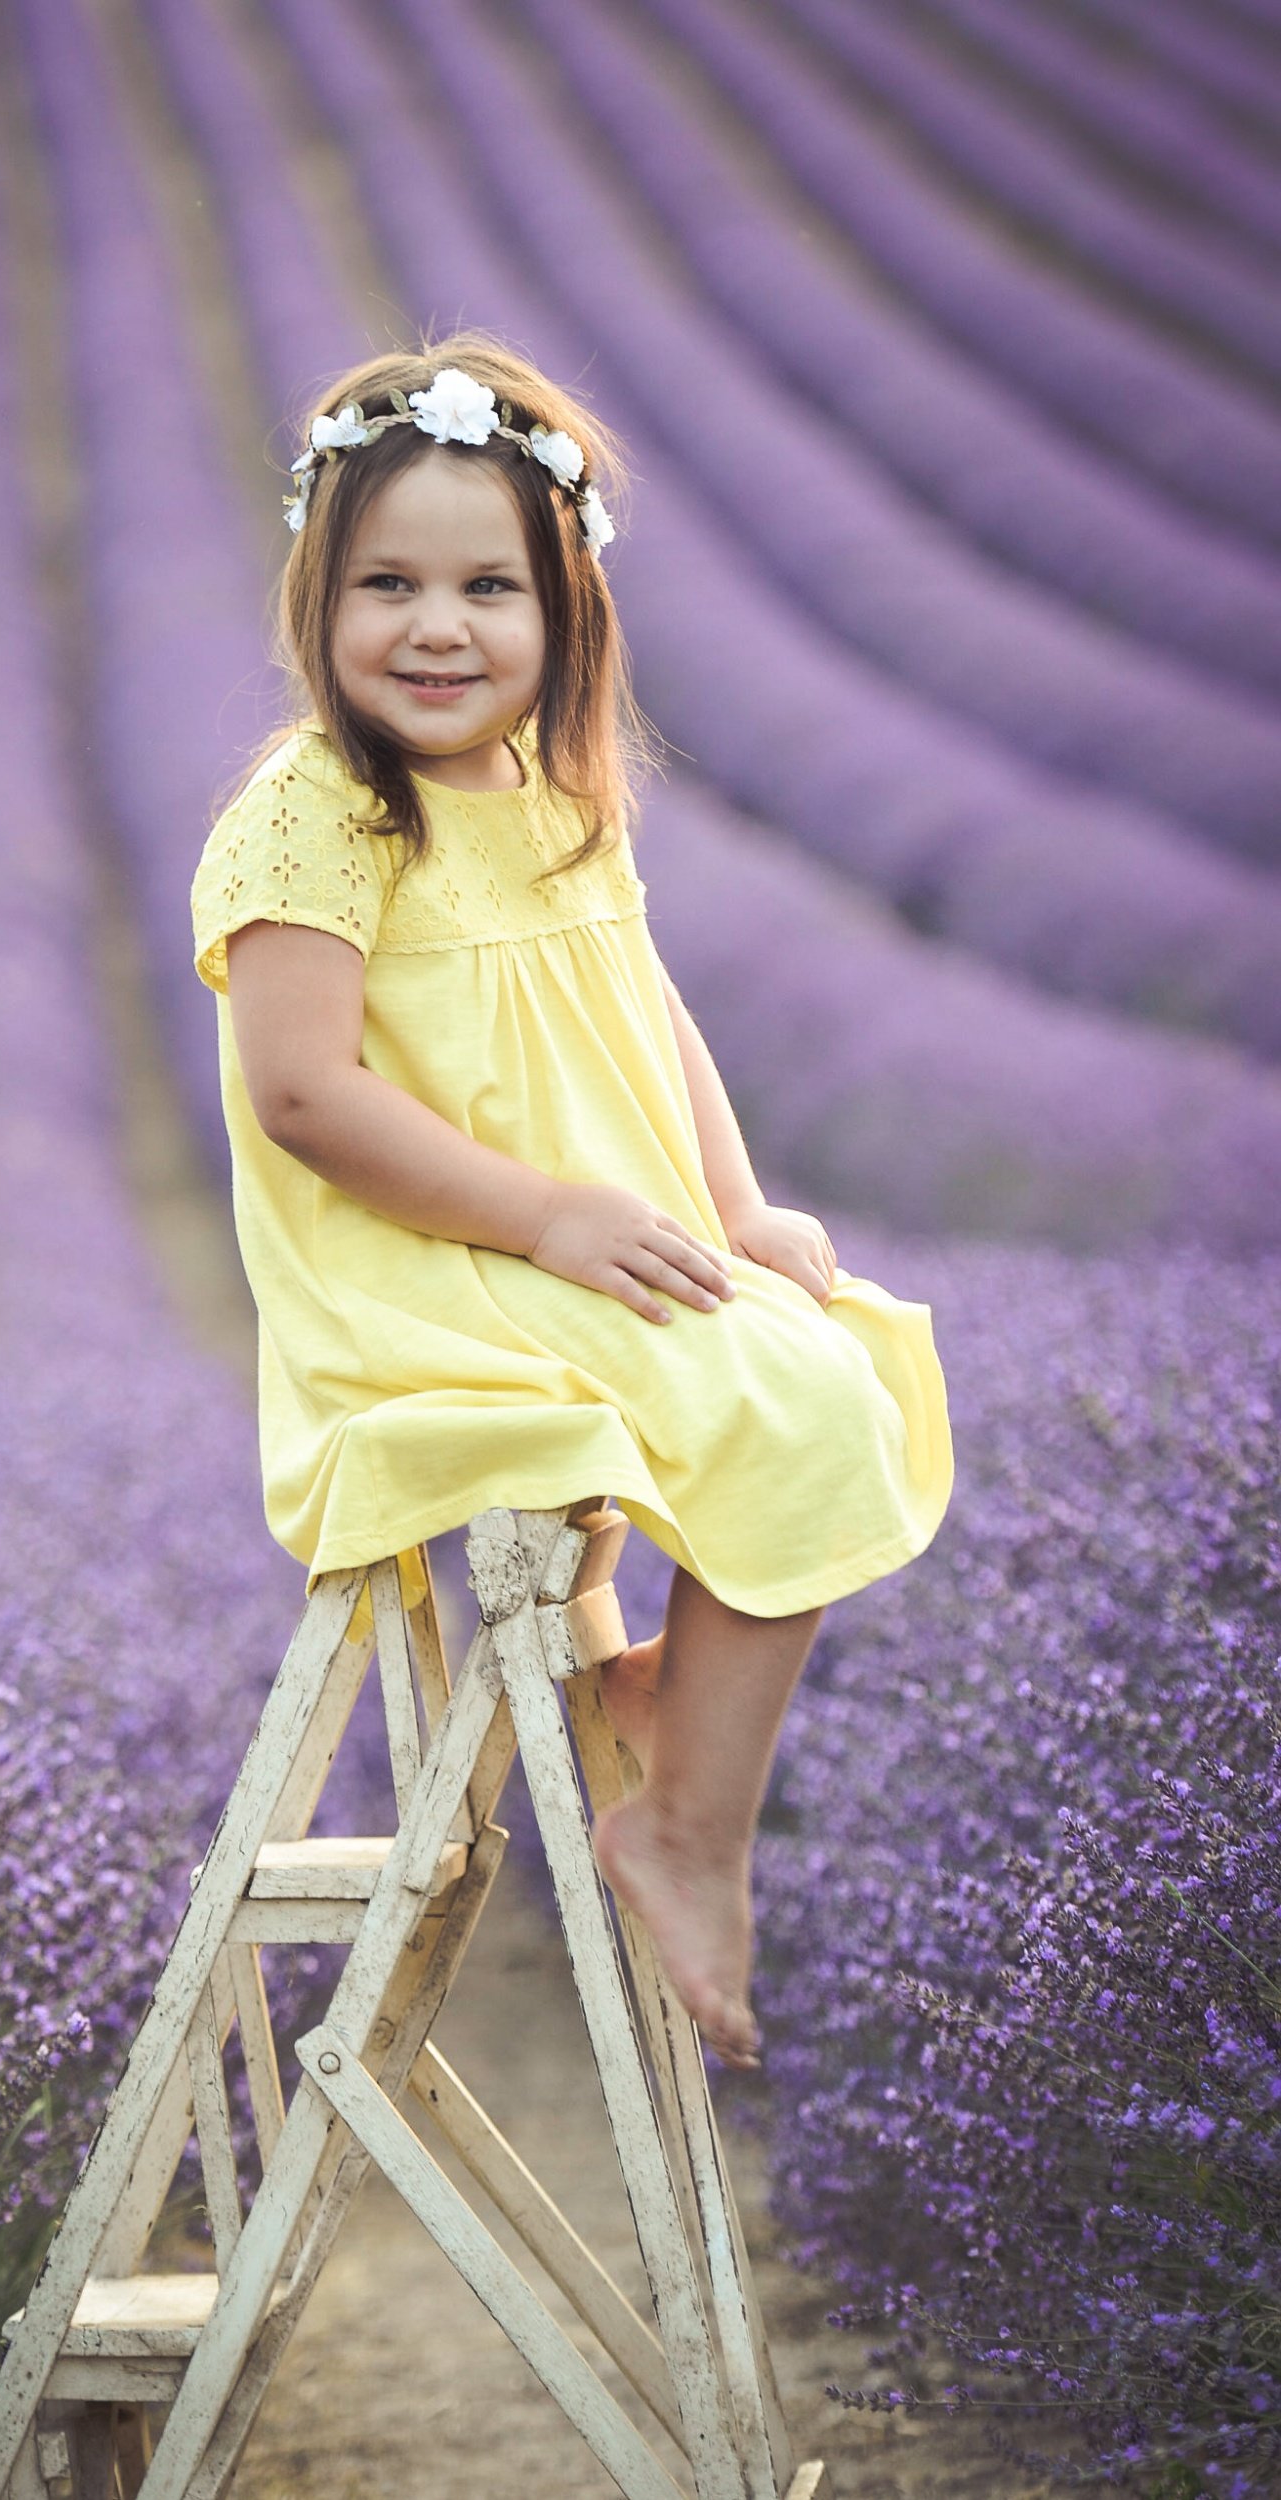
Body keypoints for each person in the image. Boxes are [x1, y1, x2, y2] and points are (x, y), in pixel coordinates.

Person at [190, 334, 954, 2067]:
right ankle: (685, 1828)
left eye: (488, 588)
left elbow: (645, 1015)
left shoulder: (554, 801)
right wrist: (546, 1219)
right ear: (319, 598)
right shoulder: (310, 816)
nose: (438, 627)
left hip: (564, 1245)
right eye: (389, 583)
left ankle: (666, 1730)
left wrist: (737, 1207)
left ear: (566, 615)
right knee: (778, 1398)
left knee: (827, 1362)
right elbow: (304, 1095)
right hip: (425, 1280)